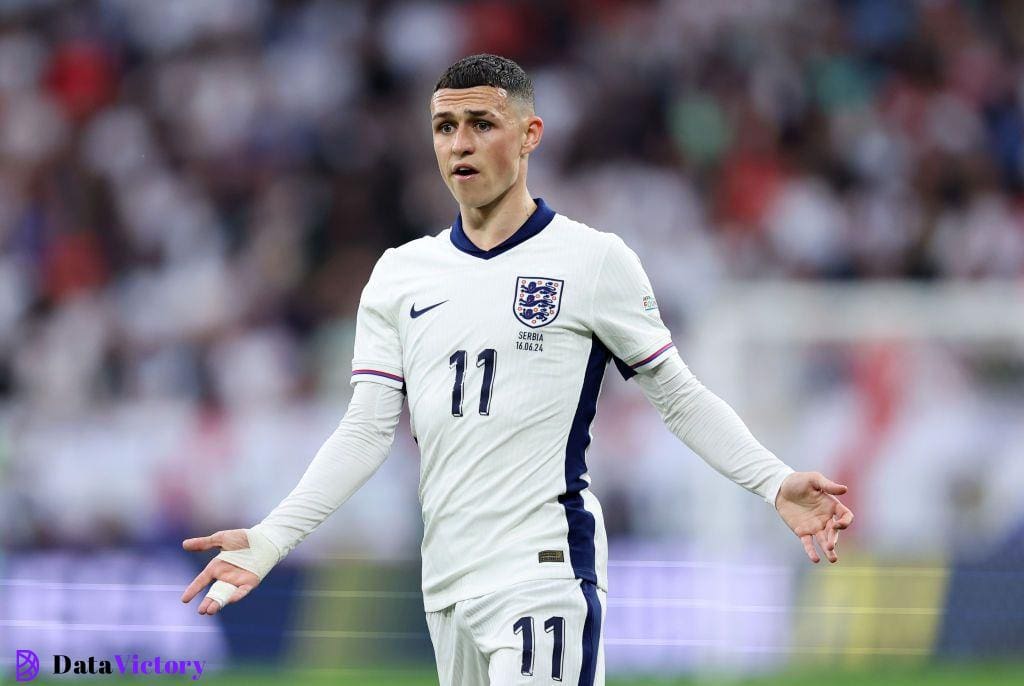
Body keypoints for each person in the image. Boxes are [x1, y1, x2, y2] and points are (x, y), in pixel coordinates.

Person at [180, 54, 854, 685]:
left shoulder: (592, 261)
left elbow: (676, 394)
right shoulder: (399, 275)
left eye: (481, 124)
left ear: (530, 134)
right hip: (446, 580)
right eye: (445, 126)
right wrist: (270, 540)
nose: (460, 143)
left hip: (544, 569)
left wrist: (773, 481)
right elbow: (364, 432)